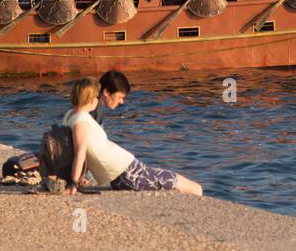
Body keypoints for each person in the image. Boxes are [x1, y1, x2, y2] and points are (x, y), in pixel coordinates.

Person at [63, 77, 202, 196]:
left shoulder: (70, 115)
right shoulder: (81, 122)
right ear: (91, 99)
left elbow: (77, 152)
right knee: (193, 188)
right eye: (96, 96)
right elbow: (80, 153)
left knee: (175, 180)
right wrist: (74, 183)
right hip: (127, 173)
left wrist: (79, 177)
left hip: (126, 170)